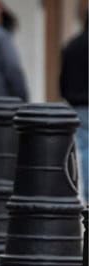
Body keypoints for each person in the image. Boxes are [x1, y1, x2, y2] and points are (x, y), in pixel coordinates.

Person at [60, 10, 88, 203]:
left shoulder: (71, 46)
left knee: (85, 149)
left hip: (78, 106)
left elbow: (62, 82)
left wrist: (70, 97)